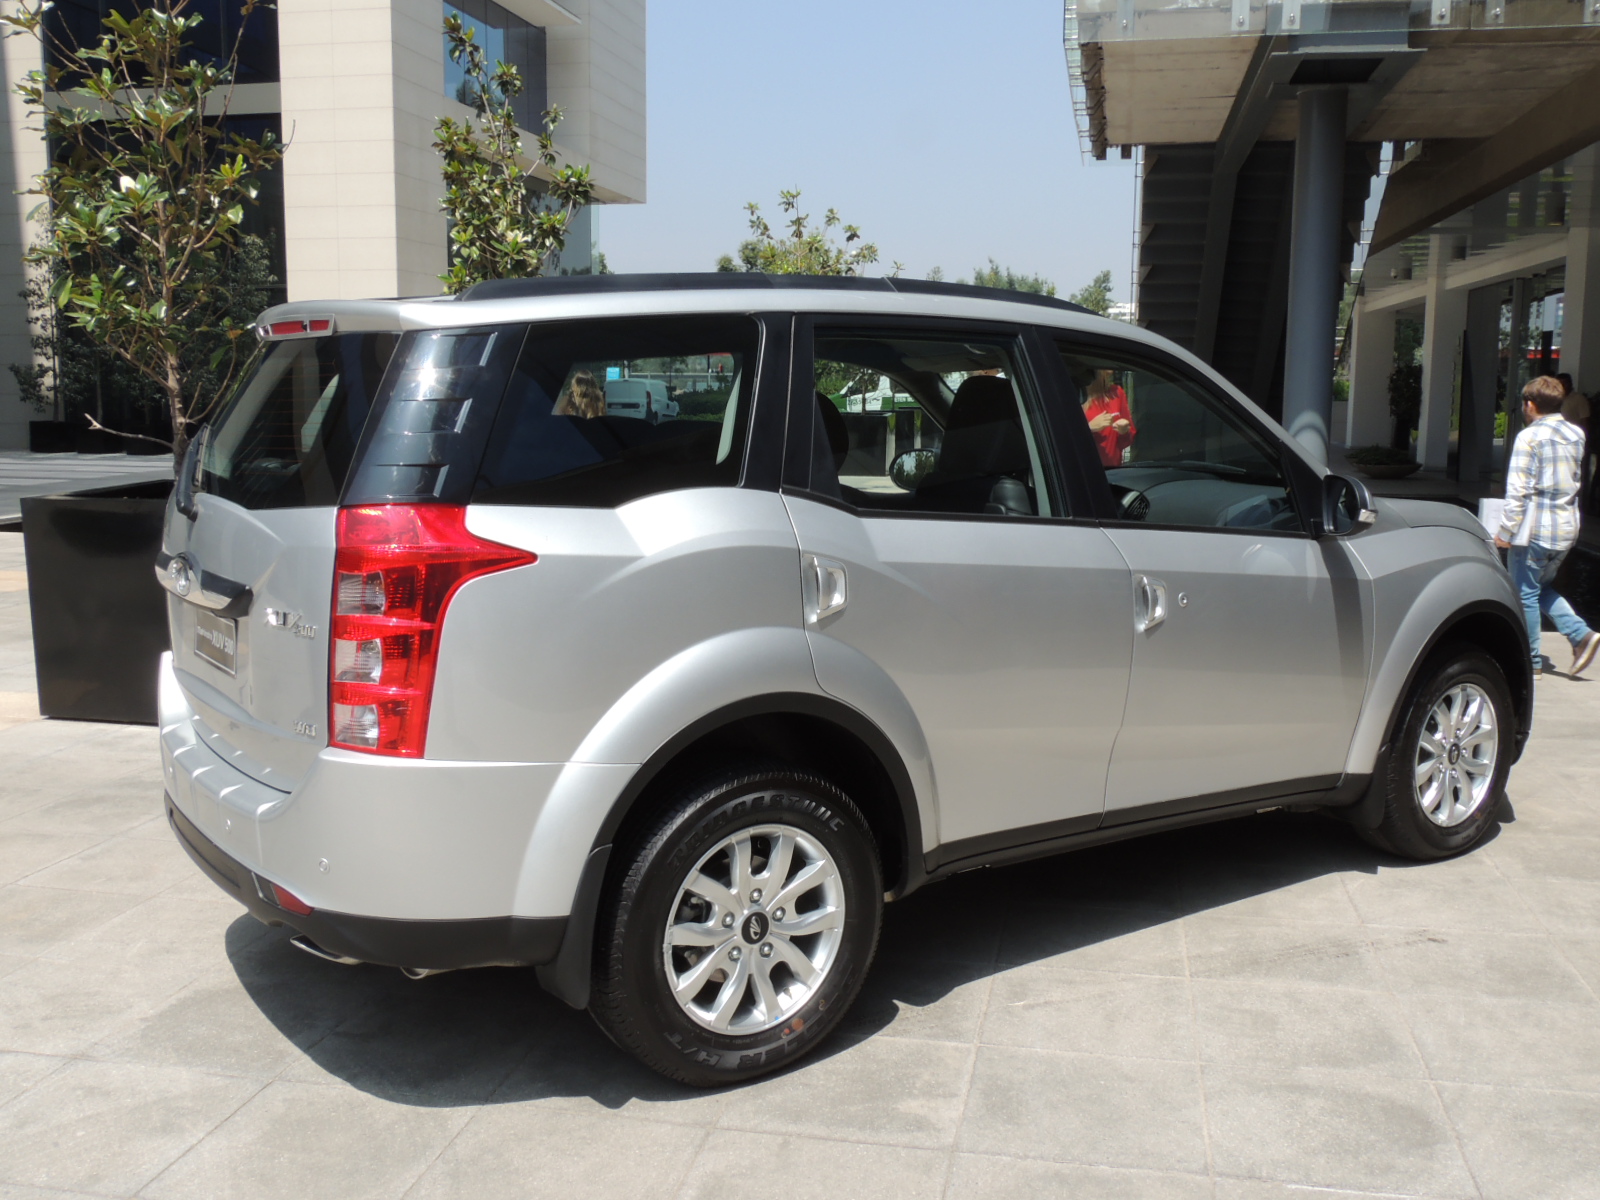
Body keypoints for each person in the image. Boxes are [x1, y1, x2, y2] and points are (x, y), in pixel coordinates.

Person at [1494, 373, 1599, 677]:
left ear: (1530, 404)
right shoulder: (1576, 434)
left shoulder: (1528, 437)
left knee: (1525, 593)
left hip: (1534, 530)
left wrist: (1505, 532)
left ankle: (1530, 661)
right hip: (1566, 528)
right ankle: (1581, 635)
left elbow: (1518, 491)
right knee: (1541, 587)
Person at [1083, 368, 1135, 468]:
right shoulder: (1079, 394)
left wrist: (1124, 431)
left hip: (1113, 470)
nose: (1111, 371)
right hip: (1086, 468)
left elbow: (1128, 440)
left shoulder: (1117, 392)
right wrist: (1089, 428)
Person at [1559, 372, 1594, 513]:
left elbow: (1585, 422)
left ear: (1570, 384)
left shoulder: (1579, 399)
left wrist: (1584, 442)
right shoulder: (1556, 399)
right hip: (1557, 443)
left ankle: (1577, 505)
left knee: (1573, 475)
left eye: (1564, 383)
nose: (1561, 386)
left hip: (1573, 444)